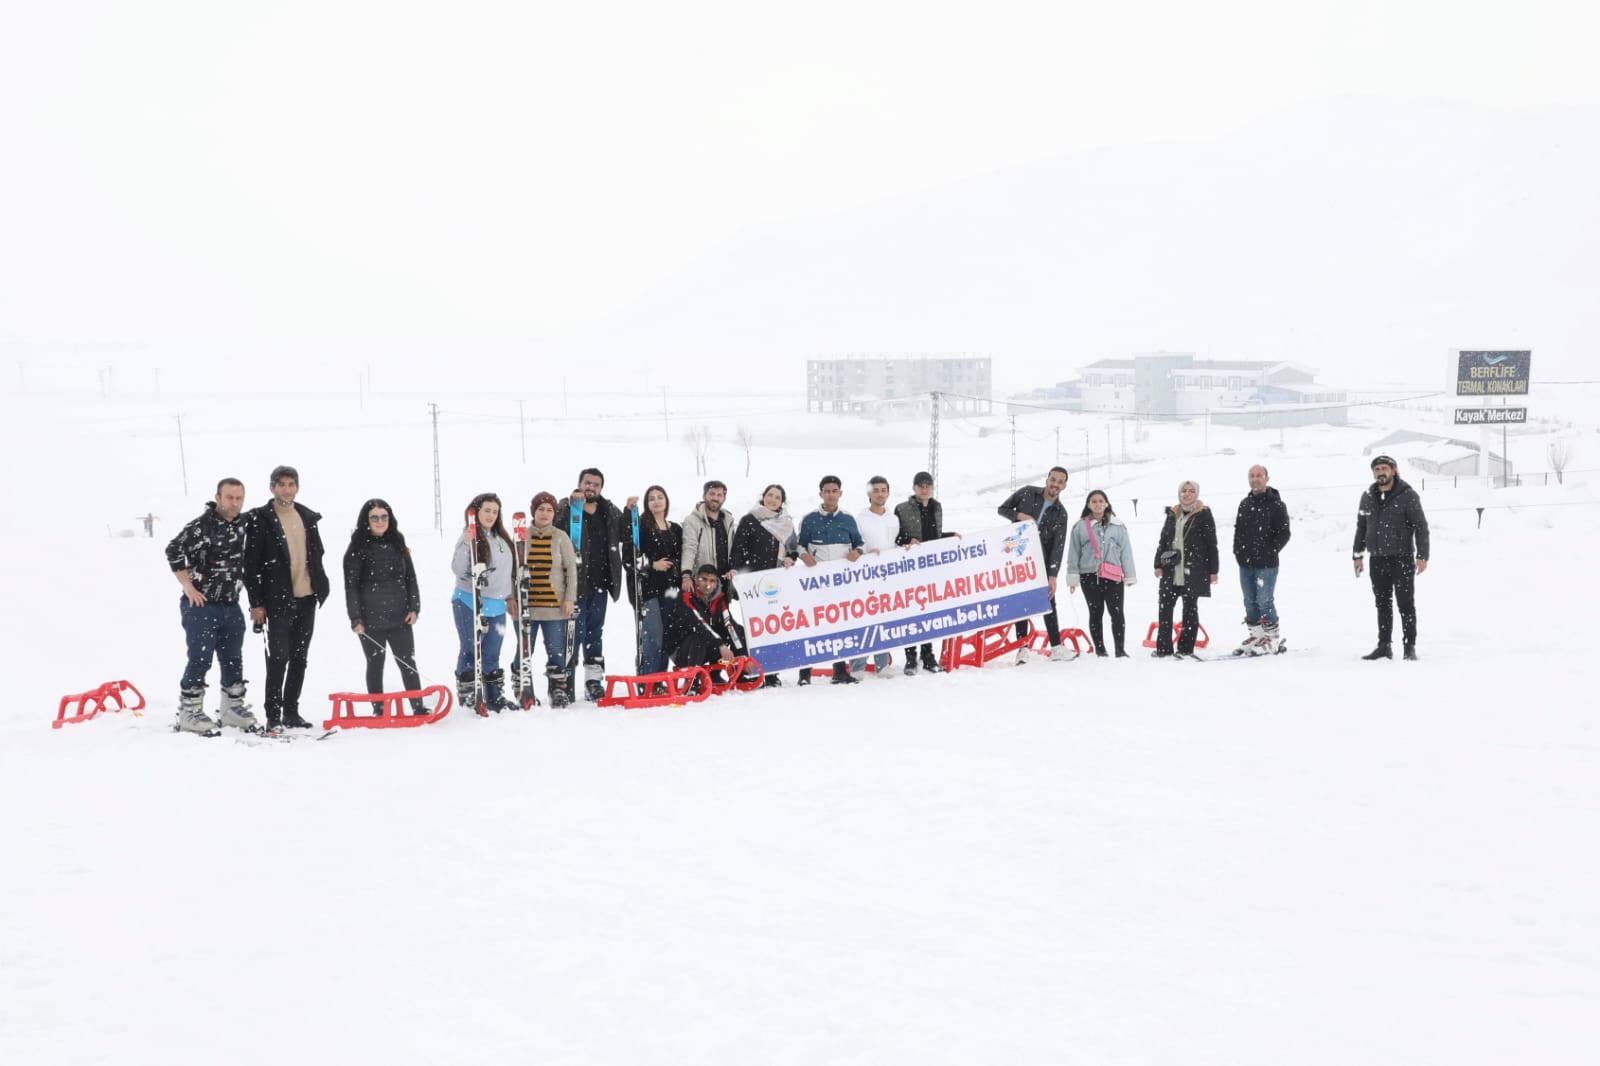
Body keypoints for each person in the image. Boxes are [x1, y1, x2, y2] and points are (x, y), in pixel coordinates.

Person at [165, 478, 258, 734]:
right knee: (200, 658)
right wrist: (187, 586)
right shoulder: (200, 526)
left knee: (232, 659)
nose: (235, 503)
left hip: (230, 604)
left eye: (239, 498)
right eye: (229, 497)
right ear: (218, 497)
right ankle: (189, 711)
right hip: (202, 605)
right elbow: (173, 549)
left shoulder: (243, 524)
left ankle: (232, 708)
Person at [243, 465, 330, 730]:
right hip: (278, 600)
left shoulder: (306, 516)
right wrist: (257, 603)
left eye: (291, 484)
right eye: (281, 484)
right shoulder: (260, 519)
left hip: (306, 598)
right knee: (278, 657)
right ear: (272, 487)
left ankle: (291, 711)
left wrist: (319, 585)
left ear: (297, 487)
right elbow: (251, 565)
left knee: (299, 657)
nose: (287, 489)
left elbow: (317, 554)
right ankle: (273, 715)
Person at [342, 499, 424, 715]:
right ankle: (378, 709)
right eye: (375, 518)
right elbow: (351, 587)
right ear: (366, 521)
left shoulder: (398, 543)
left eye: (384, 517)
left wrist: (414, 607)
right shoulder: (356, 548)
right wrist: (356, 618)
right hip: (370, 620)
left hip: (400, 617)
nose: (380, 522)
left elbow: (411, 578)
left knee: (408, 662)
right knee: (375, 663)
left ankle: (418, 706)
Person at [555, 468, 629, 701]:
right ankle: (565, 680)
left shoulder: (609, 511)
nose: (591, 487)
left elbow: (627, 529)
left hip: (600, 584)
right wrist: (567, 503)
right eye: (587, 483)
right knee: (571, 634)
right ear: (579, 484)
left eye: (596, 484)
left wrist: (630, 510)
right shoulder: (567, 509)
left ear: (601, 488)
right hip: (573, 585)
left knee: (594, 634)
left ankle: (593, 681)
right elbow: (551, 526)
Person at [1353, 454, 1430, 661]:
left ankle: (1409, 647)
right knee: (1382, 604)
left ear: (1393, 470)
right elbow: (1361, 528)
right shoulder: (1368, 496)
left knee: (1405, 604)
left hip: (1402, 558)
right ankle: (1384, 646)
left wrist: (1422, 556)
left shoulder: (1407, 495)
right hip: (1377, 558)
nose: (1381, 473)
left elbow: (1421, 527)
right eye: (1377, 470)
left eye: (1384, 469)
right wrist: (1357, 555)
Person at [451, 492, 520, 712]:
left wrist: (510, 597)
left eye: (494, 511)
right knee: (471, 649)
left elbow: (509, 572)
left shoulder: (501, 538)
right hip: (470, 600)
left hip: (497, 604)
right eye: (486, 510)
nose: (490, 515)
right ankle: (469, 694)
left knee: (492, 652)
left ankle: (493, 695)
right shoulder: (468, 537)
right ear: (476, 512)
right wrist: (466, 544)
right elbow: (458, 569)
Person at [996, 466, 1072, 662]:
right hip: (1018, 556)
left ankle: (1056, 647)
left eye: (1060, 481)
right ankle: (1022, 648)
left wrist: (1053, 575)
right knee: (1021, 602)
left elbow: (1058, 546)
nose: (1055, 484)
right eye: (1053, 479)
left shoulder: (1061, 513)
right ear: (1047, 479)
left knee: (1048, 601)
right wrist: (1018, 516)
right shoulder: (1028, 492)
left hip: (1042, 561)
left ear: (1064, 486)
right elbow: (1002, 509)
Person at [798, 475, 865, 684]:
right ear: (820, 493)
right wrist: (804, 555)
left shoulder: (848, 519)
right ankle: (804, 674)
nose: (830, 494)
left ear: (840, 494)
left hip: (841, 585)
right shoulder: (809, 519)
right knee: (812, 625)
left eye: (834, 491)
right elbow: (799, 545)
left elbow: (860, 543)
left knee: (840, 625)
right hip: (815, 585)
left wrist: (858, 552)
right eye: (826, 491)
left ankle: (840, 670)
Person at [730, 483, 798, 687]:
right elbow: (738, 550)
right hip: (752, 583)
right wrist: (738, 573)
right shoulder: (750, 519)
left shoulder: (786, 522)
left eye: (777, 497)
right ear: (763, 497)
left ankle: (772, 672)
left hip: (775, 583)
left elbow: (792, 549)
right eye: (770, 495)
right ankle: (753, 669)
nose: (773, 499)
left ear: (781, 502)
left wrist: (790, 558)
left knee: (772, 627)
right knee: (754, 629)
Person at [1064, 490, 1137, 658]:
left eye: (1101, 501)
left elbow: (1126, 552)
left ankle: (1120, 649)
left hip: (1113, 576)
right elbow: (1073, 554)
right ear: (1088, 504)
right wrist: (1073, 577)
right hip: (1089, 575)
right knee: (1096, 612)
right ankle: (1100, 649)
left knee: (1117, 613)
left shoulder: (1118, 526)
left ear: (1106, 503)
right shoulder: (1080, 527)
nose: (1098, 504)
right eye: (1094, 501)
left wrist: (1129, 574)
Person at [1151, 480, 1219, 659]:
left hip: (1194, 569)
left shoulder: (1203, 514)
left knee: (1190, 609)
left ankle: (1186, 649)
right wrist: (1158, 564)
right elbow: (1163, 540)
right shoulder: (1173, 514)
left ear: (1196, 494)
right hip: (1171, 569)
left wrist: (1213, 571)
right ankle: (1164, 649)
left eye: (1191, 491)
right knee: (1165, 609)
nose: (1187, 494)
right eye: (1183, 491)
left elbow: (1212, 544)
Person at [523, 492, 579, 705]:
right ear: (533, 512)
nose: (545, 514)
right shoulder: (523, 536)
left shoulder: (560, 537)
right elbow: (513, 570)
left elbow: (571, 570)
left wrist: (569, 599)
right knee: (525, 650)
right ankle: (524, 689)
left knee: (556, 650)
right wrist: (512, 598)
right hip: (527, 607)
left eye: (549, 510)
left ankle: (557, 689)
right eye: (540, 509)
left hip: (554, 607)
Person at [1233, 465, 1292, 655]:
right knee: (1249, 600)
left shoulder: (1276, 504)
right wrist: (1238, 552)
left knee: (1264, 600)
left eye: (1259, 475)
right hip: (1245, 563)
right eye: (1252, 476)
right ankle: (1257, 635)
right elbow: (1238, 530)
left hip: (1266, 564)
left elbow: (1284, 533)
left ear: (1266, 478)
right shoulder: (1244, 503)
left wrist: (1270, 550)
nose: (1255, 479)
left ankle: (1272, 638)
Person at [894, 471, 948, 675]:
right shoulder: (902, 509)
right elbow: (896, 536)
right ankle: (910, 657)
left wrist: (953, 537)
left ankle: (927, 654)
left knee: (929, 610)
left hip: (931, 566)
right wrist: (907, 541)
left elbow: (937, 535)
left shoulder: (937, 506)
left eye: (928, 485)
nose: (924, 489)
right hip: (911, 567)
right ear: (914, 488)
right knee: (912, 611)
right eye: (920, 486)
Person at [849, 476, 901, 679]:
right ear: (869, 494)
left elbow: (894, 543)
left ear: (888, 493)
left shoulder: (893, 518)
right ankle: (858, 665)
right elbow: (855, 545)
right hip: (865, 577)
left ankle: (882, 664)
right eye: (876, 490)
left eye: (883, 490)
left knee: (883, 619)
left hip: (886, 577)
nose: (880, 494)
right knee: (863, 619)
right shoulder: (860, 519)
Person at [626, 485, 681, 676]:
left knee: (668, 635)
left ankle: (659, 676)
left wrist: (674, 565)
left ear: (666, 501)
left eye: (660, 497)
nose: (656, 501)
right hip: (648, 588)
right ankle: (647, 677)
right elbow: (629, 557)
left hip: (670, 589)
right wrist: (652, 564)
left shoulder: (676, 529)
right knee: (652, 635)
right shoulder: (640, 527)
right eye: (651, 498)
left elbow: (682, 556)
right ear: (647, 504)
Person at [673, 564, 743, 688]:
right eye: (704, 579)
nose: (708, 584)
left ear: (717, 583)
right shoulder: (686, 597)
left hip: (706, 647)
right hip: (682, 651)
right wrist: (720, 644)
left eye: (712, 581)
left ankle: (734, 674)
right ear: (696, 580)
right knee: (699, 638)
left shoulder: (719, 599)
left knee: (735, 630)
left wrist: (742, 655)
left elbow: (729, 624)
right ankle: (691, 683)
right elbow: (699, 624)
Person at [681, 478, 739, 597]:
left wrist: (734, 568)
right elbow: (689, 548)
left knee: (723, 614)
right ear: (704, 495)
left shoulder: (728, 521)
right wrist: (686, 575)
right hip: (703, 583)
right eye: (712, 494)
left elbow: (734, 549)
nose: (715, 498)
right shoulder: (692, 521)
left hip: (724, 582)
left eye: (719, 495)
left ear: (724, 498)